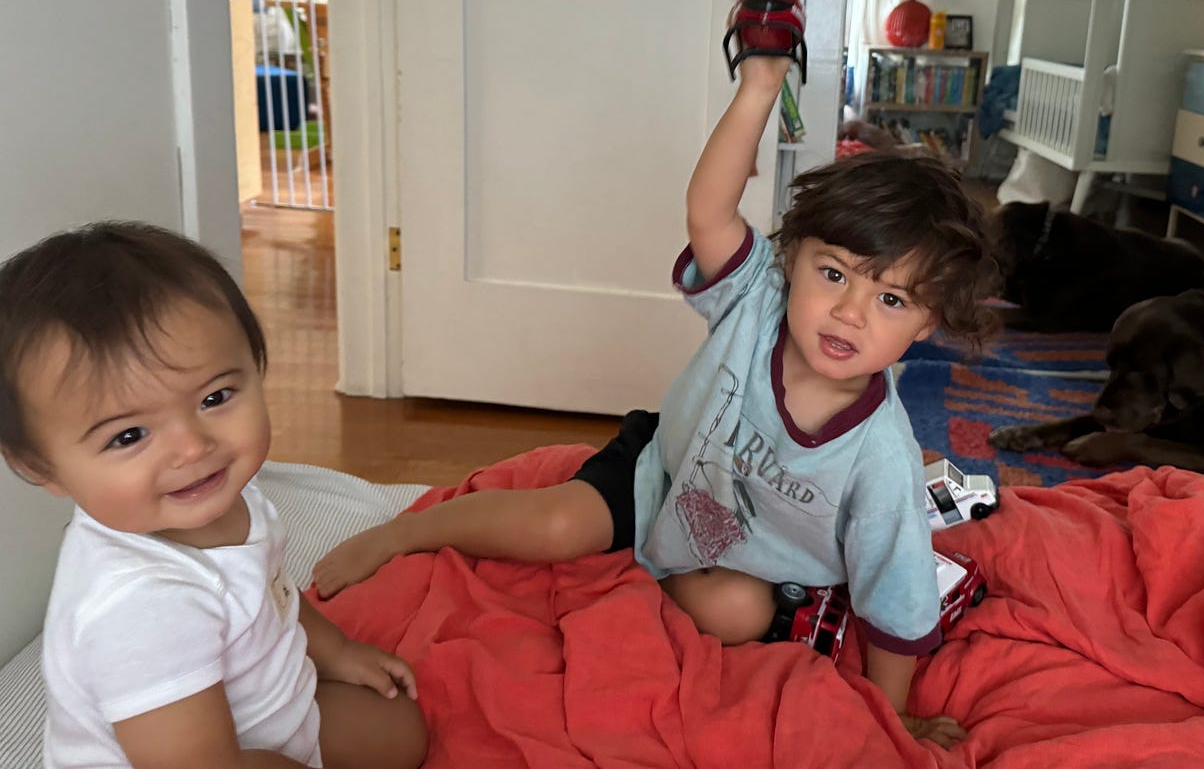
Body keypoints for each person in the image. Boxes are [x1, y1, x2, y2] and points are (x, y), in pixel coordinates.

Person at [313, 55, 996, 748]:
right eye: (832, 273)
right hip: (659, 469)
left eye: (889, 299)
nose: (849, 312)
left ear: (927, 323)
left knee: (733, 612)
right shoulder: (757, 302)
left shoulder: (881, 458)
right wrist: (761, 84)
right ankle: (405, 531)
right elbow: (709, 210)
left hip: (749, 560)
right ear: (793, 261)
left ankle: (648, 569)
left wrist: (890, 718)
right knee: (553, 527)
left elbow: (896, 593)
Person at [0, 223, 429, 769]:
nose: (192, 448)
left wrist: (338, 654)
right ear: (43, 467)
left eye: (215, 397)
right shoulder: (141, 610)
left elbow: (272, 591)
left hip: (271, 717)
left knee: (401, 728)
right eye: (129, 436)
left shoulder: (231, 499)